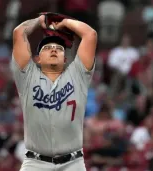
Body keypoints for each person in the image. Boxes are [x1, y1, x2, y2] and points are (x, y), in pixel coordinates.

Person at [11, 13, 97, 171]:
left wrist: (65, 23)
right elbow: (19, 32)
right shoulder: (27, 77)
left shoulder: (77, 75)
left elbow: (90, 34)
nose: (53, 50)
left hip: (73, 162)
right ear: (37, 58)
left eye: (59, 48)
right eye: (47, 48)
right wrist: (39, 21)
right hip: (35, 163)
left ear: (65, 59)